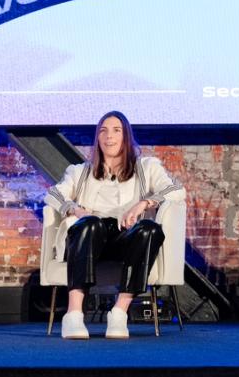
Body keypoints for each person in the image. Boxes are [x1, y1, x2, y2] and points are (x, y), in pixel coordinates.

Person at [44, 110, 185, 339]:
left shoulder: (146, 167)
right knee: (90, 224)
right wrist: (76, 210)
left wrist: (144, 204)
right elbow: (53, 194)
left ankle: (119, 312)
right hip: (90, 235)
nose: (109, 136)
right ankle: (74, 314)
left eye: (116, 130)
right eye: (103, 131)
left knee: (150, 229)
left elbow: (176, 189)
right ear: (98, 139)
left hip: (124, 236)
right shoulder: (80, 172)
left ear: (126, 136)